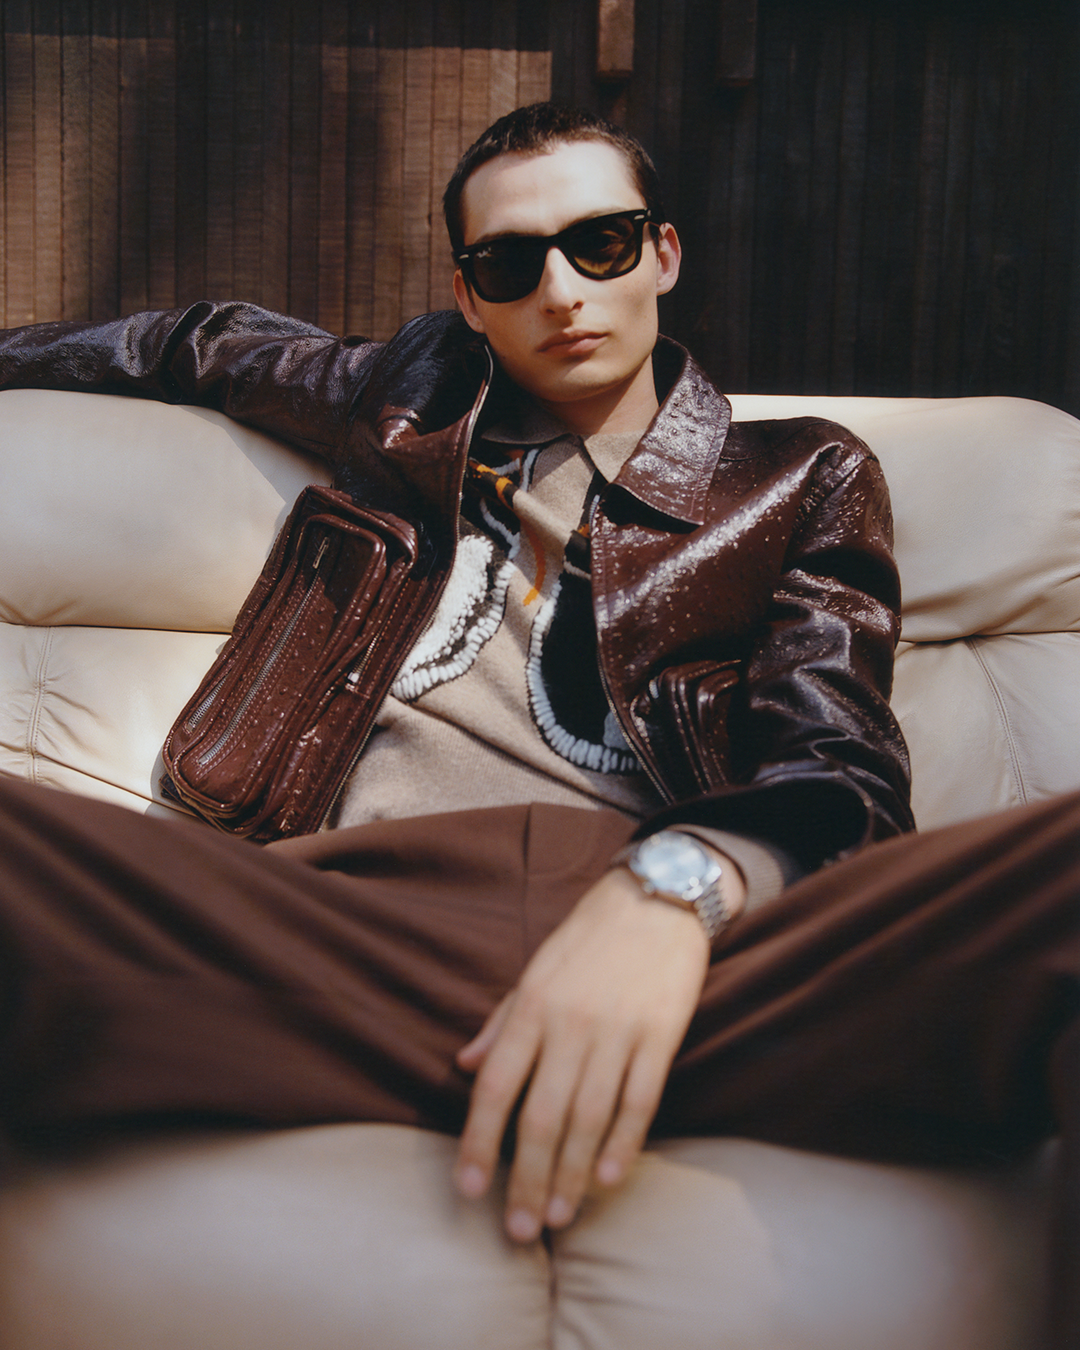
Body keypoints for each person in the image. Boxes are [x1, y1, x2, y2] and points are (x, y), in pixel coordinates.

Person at [0, 104, 1075, 1343]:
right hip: (345, 935)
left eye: (601, 243)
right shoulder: (403, 404)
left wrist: (676, 889)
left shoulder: (798, 473)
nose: (562, 291)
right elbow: (189, 345)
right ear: (470, 295)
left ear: (663, 253)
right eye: (511, 263)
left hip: (694, 972)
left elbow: (840, 761)